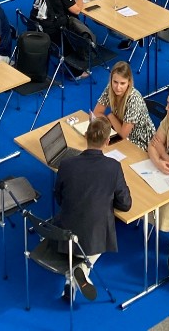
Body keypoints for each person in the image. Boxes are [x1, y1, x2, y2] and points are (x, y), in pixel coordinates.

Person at [53, 115, 132, 302]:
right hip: (94, 234)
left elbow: (59, 197)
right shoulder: (113, 167)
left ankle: (71, 281)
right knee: (97, 231)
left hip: (66, 228)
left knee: (81, 233)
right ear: (107, 141)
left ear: (86, 136)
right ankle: (80, 270)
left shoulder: (66, 164)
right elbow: (126, 204)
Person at [30, 0, 94, 76]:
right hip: (51, 29)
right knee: (74, 28)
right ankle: (76, 72)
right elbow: (76, 10)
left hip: (35, 22)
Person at [92, 61, 156, 149]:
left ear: (129, 82)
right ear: (111, 80)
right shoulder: (110, 89)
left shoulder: (134, 99)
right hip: (119, 131)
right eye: (115, 82)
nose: (118, 87)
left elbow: (123, 135)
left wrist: (111, 117)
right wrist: (111, 122)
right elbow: (96, 113)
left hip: (141, 141)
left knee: (105, 149)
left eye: (122, 83)